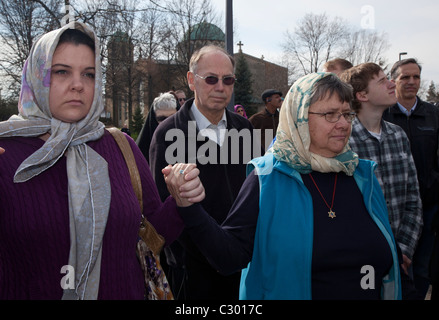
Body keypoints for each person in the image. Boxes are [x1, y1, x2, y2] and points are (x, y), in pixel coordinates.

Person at [0, 22, 204, 300]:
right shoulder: (5, 154)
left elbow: (152, 236)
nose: (78, 85)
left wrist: (180, 199)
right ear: (36, 76)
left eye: (89, 74)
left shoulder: (120, 146)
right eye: (61, 72)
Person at [166, 72, 402, 300]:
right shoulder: (268, 178)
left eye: (346, 114)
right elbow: (229, 258)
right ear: (298, 117)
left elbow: (387, 264)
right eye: (330, 114)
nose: (343, 124)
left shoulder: (363, 175)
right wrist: (189, 207)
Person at [149, 44, 261, 300]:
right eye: (211, 79)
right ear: (191, 80)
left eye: (228, 79)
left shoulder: (244, 128)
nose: (220, 87)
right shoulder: (167, 134)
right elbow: (159, 209)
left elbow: (255, 191)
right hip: (192, 274)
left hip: (242, 267)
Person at [340, 63, 423, 298]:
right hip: (358, 262)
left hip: (401, 261)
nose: (391, 84)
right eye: (382, 80)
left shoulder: (398, 135)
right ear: (362, 95)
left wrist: (403, 251)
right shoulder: (343, 140)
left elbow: (413, 199)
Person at [383, 58, 439, 299]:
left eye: (416, 77)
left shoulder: (433, 114)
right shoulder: (384, 114)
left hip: (428, 207)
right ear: (393, 79)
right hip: (392, 208)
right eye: (405, 77)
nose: (411, 82)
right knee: (393, 266)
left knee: (422, 267)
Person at [136, 92, 178, 163]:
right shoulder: (142, 150)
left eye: (172, 118)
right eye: (162, 119)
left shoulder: (189, 142)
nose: (166, 123)